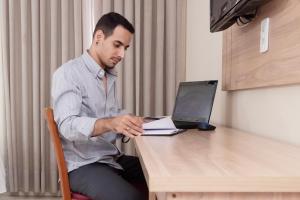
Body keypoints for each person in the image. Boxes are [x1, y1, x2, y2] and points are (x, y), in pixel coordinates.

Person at [51, 12, 148, 200]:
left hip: (110, 159)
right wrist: (112, 123)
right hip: (84, 165)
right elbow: (68, 126)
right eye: (117, 45)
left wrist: (130, 122)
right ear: (99, 37)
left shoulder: (108, 75)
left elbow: (110, 117)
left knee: (161, 174)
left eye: (126, 48)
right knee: (133, 198)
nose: (122, 54)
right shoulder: (68, 73)